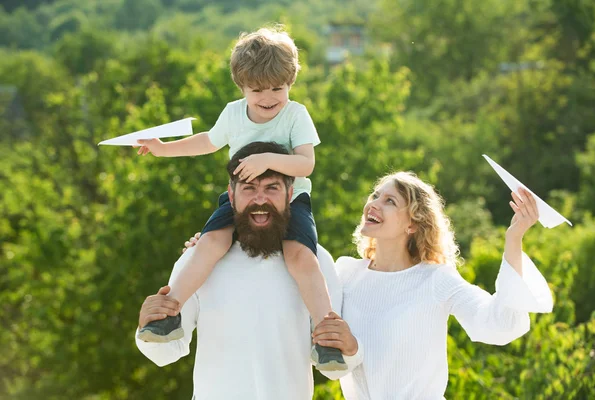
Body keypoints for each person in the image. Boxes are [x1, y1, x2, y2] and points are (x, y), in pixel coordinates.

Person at [185, 170, 554, 399]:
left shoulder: (436, 280)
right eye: (375, 195)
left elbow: (500, 325)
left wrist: (514, 239)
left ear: (413, 224)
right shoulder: (345, 273)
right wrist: (212, 249)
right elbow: (282, 291)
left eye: (389, 200)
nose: (372, 203)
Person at [134, 26, 345, 370]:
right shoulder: (233, 113)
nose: (269, 97)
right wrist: (162, 150)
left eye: (279, 88)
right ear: (242, 86)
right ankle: (169, 315)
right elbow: (208, 142)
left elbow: (306, 164)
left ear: (291, 82)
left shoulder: (295, 115)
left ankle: (326, 336)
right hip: (240, 201)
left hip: (290, 202)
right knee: (208, 244)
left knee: (302, 259)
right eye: (258, 89)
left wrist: (266, 161)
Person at [135, 142, 363, 400]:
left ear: (290, 195)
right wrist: (147, 325)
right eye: (249, 188)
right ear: (231, 196)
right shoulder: (199, 260)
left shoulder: (315, 261)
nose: (260, 199)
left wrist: (351, 348)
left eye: (271, 188)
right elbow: (167, 353)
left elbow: (335, 369)